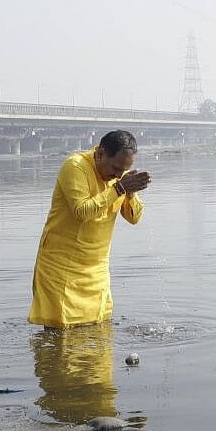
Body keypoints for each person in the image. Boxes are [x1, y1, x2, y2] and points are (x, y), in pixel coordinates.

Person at [28, 130, 151, 329]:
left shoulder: (119, 178)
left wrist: (131, 192)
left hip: (96, 272)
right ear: (101, 154)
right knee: (59, 340)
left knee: (99, 336)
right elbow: (82, 211)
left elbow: (134, 218)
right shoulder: (75, 167)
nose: (119, 174)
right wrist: (119, 188)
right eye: (116, 168)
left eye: (125, 170)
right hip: (61, 270)